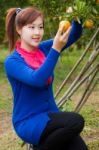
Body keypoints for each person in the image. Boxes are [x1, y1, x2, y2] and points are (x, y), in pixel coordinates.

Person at [4, 7, 88, 150]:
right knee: (76, 121)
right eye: (31, 27)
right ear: (19, 29)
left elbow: (74, 35)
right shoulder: (12, 61)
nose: (37, 32)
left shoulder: (42, 49)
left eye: (40, 27)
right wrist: (55, 49)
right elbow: (37, 79)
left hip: (50, 116)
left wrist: (76, 15)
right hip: (28, 121)